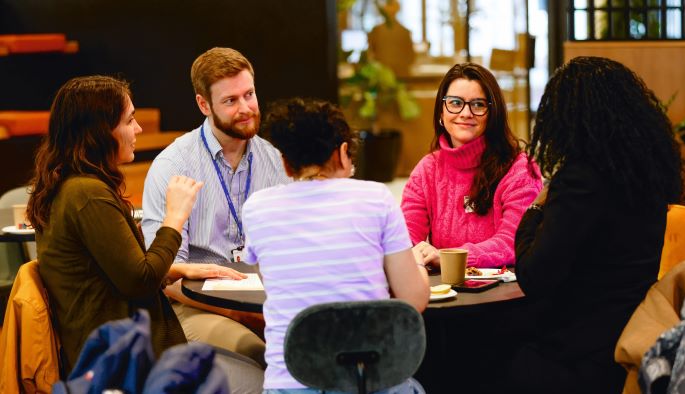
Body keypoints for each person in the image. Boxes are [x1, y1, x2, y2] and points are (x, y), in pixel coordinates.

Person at [26, 75, 244, 374]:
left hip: (116, 349)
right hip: (124, 362)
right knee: (256, 379)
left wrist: (174, 269)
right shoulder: (86, 195)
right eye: (130, 121)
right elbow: (138, 281)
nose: (138, 129)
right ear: (100, 132)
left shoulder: (71, 187)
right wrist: (175, 218)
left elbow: (111, 272)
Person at [505, 56, 682, 394]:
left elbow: (533, 275)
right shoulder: (645, 175)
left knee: (487, 353)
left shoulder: (580, 180)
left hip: (580, 353)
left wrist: (537, 207)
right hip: (632, 333)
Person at [242, 98, 429, 393]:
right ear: (343, 153)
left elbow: (279, 285)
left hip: (290, 385)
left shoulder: (256, 208)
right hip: (371, 383)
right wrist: (417, 261)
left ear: (286, 163)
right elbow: (413, 301)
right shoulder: (377, 198)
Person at [141, 47, 290, 367]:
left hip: (266, 304)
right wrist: (237, 313)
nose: (246, 108)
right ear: (203, 104)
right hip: (194, 307)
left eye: (249, 94)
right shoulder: (174, 166)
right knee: (263, 355)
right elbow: (164, 278)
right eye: (230, 101)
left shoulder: (274, 161)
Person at [401, 63, 542, 268]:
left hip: (506, 294)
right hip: (448, 293)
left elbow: (513, 242)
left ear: (492, 114)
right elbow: (404, 240)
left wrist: (450, 257)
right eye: (455, 103)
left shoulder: (520, 169)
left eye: (478, 104)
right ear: (441, 113)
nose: (466, 113)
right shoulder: (427, 169)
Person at [367, 0, 415, 78]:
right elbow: (411, 57)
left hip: (382, 76)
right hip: (401, 75)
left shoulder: (377, 30)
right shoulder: (404, 31)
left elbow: (371, 54)